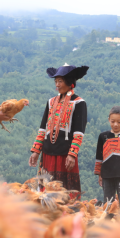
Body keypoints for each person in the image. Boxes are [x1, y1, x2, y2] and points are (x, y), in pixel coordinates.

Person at [28, 64, 88, 197]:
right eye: (55, 81)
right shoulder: (50, 102)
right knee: (46, 190)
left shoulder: (78, 103)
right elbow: (43, 129)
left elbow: (79, 132)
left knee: (65, 191)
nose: (57, 84)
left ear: (69, 82)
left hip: (65, 155)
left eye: (60, 81)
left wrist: (72, 154)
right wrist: (36, 151)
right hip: (47, 153)